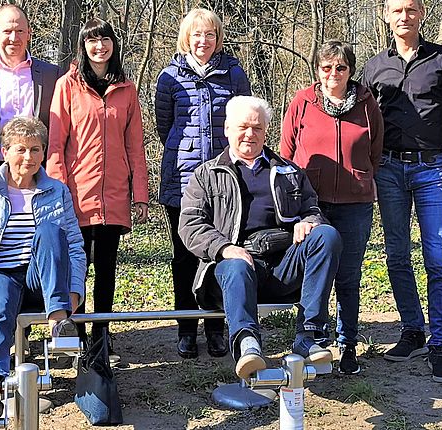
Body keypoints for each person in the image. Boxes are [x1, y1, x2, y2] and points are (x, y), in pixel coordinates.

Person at [178, 96, 342, 380]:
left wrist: (309, 221)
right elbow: (190, 225)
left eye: (257, 128)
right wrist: (224, 247)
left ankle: (309, 335)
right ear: (227, 128)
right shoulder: (206, 175)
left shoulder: (289, 172)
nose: (250, 135)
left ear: (267, 131)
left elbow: (313, 208)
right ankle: (247, 345)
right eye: (243, 127)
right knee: (236, 264)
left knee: (327, 235)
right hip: (231, 272)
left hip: (282, 267)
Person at [361, 0, 442, 384]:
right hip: (388, 170)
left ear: (421, 13)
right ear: (386, 16)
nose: (403, 16)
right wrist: (367, 170)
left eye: (411, 9)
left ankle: (440, 344)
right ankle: (413, 330)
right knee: (396, 254)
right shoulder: (375, 67)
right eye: (396, 10)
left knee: (437, 256)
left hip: (433, 169)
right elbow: (365, 123)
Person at [0, 116, 86, 418]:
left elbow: (74, 246)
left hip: (42, 277)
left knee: (51, 232)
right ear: (5, 151)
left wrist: (74, 289)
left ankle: (59, 323)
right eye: (21, 149)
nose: (29, 157)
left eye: (36, 150)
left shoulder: (57, 190)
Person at [47, 18, 149, 361]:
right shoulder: (67, 85)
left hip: (115, 194)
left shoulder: (127, 89)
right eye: (92, 40)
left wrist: (141, 196)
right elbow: (56, 144)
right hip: (76, 193)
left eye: (104, 39)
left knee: (106, 269)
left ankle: (101, 337)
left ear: (113, 45)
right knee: (77, 266)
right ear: (83, 46)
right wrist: (58, 191)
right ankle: (74, 336)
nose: (99, 46)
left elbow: (136, 147)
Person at [280, 40, 383, 375]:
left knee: (348, 277)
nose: (333, 74)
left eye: (341, 68)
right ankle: (312, 338)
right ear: (317, 71)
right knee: (317, 273)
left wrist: (361, 177)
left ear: (350, 71)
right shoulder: (302, 102)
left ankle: (348, 344)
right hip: (313, 205)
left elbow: (376, 151)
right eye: (327, 68)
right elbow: (286, 153)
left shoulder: (367, 104)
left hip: (355, 203)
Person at [155, 8, 251, 360]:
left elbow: (243, 123)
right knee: (183, 256)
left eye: (210, 34)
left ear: (217, 38)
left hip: (225, 180)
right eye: (197, 34)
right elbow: (165, 128)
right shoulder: (169, 77)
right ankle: (185, 328)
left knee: (220, 252)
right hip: (181, 180)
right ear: (186, 38)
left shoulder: (234, 73)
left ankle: (215, 327)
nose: (203, 41)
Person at [0, 4, 62, 172]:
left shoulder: (52, 75)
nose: (14, 38)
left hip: (38, 171)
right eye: (7, 31)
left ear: (29, 33)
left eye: (20, 31)